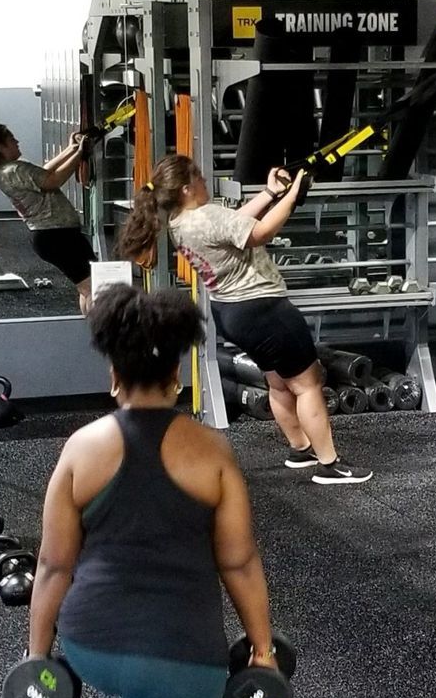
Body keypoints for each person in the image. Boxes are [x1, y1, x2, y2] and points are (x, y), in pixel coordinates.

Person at [24, 285, 280, 698]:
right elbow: (239, 562)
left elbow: (52, 565)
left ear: (114, 372)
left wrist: (39, 656)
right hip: (176, 661)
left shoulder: (81, 447)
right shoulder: (211, 452)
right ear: (178, 373)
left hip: (89, 645)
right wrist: (261, 651)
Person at [117, 153, 370, 485]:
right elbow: (260, 233)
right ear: (186, 188)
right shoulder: (206, 216)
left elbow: (233, 223)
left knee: (278, 383)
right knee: (308, 385)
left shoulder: (180, 222)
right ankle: (329, 464)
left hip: (232, 313)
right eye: (199, 178)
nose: (204, 182)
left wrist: (270, 193)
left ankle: (301, 448)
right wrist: (293, 195)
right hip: (264, 311)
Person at [0, 123, 94, 314]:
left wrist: (71, 149)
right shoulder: (15, 170)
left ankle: (95, 326)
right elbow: (52, 180)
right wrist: (80, 153)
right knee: (91, 287)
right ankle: (103, 327)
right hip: (57, 236)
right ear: (1, 147)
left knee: (87, 286)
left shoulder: (7, 171)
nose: (17, 142)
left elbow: (43, 172)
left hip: (53, 235)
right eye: (11, 139)